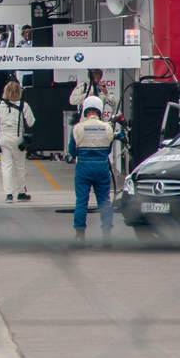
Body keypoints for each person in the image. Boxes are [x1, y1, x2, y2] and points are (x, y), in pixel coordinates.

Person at [68, 96, 123, 246]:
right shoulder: (108, 128)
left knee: (81, 202)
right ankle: (107, 236)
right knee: (104, 202)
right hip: (101, 167)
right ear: (100, 110)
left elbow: (71, 151)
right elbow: (109, 149)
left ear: (85, 109)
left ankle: (80, 235)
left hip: (83, 167)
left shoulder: (77, 128)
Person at [0, 81, 36, 202]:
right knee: (20, 167)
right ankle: (21, 192)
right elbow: (31, 122)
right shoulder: (24, 105)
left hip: (3, 138)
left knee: (6, 167)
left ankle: (8, 194)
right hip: (18, 139)